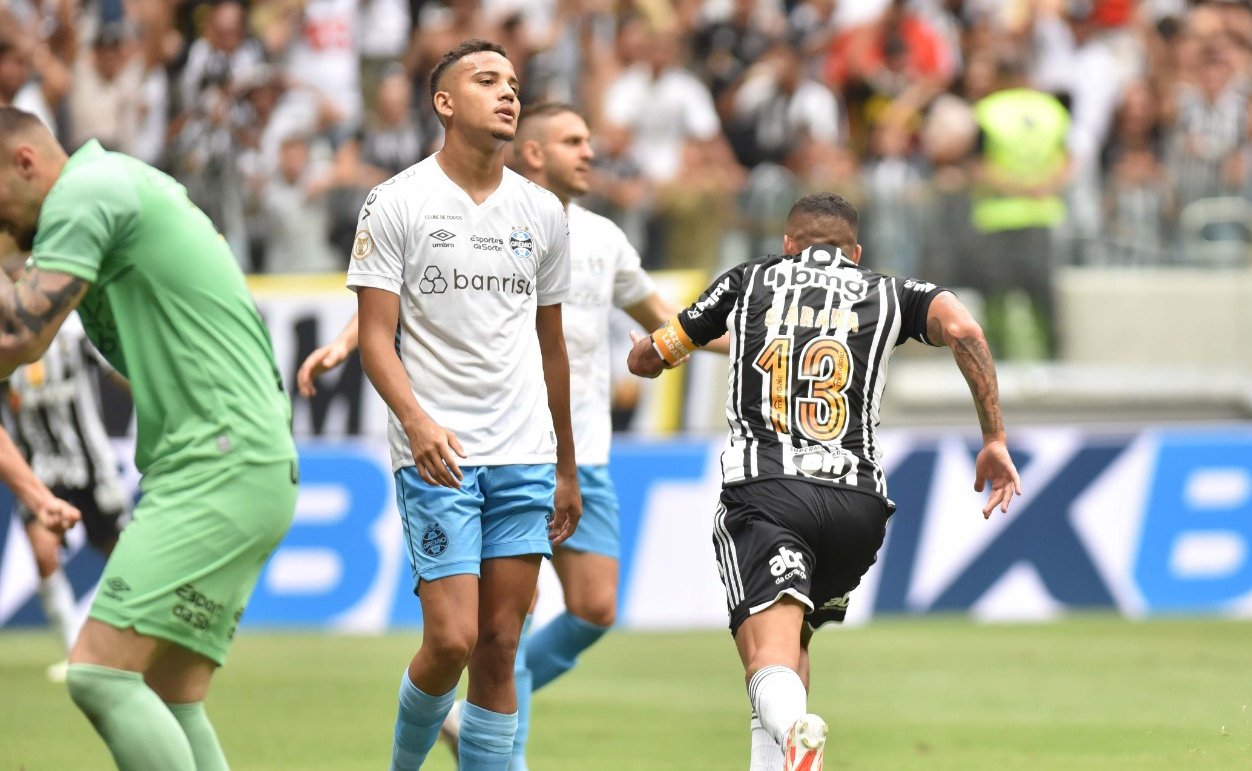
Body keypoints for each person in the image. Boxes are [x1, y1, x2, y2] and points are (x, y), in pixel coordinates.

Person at [300, 100, 727, 769]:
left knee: (591, 607)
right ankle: (498, 749)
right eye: (572, 141)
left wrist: (761, 339)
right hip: (508, 445)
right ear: (532, 152)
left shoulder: (603, 240)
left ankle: (472, 721)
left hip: (577, 449)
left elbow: (672, 320)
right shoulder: (454, 209)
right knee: (498, 630)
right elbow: (416, 297)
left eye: (590, 140)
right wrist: (346, 339)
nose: (590, 152)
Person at [627, 192, 1022, 771]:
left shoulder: (749, 281)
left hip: (768, 495)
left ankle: (796, 730)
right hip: (857, 510)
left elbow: (650, 358)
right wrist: (993, 438)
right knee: (795, 642)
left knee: (767, 655)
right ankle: (791, 743)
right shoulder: (891, 290)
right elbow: (963, 327)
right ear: (855, 252)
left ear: (788, 244)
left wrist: (655, 348)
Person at [0, 106, 298, 770]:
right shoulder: (112, 187)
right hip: (241, 460)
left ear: (25, 163)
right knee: (169, 698)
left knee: (99, 676)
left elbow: (19, 335)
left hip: (217, 461)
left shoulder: (86, 191)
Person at [346, 40, 579, 770]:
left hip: (524, 452)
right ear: (444, 103)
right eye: (487, 81)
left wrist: (566, 465)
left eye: (512, 82)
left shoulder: (542, 213)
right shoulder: (396, 202)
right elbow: (375, 340)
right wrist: (417, 422)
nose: (508, 92)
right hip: (439, 454)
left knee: (501, 647)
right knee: (451, 639)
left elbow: (552, 349)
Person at [0, 299, 132, 683]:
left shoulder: (75, 329)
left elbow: (120, 375)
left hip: (91, 461)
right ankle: (76, 653)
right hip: (38, 466)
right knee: (44, 553)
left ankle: (140, 641)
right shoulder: (7, 345)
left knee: (120, 552)